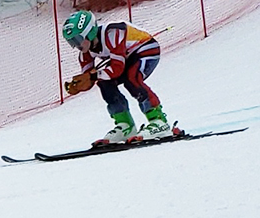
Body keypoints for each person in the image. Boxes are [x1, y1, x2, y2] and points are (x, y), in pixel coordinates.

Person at [62, 10, 177, 146]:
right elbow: (90, 77)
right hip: (125, 59)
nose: (76, 45)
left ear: (90, 32)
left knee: (132, 79)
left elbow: (117, 69)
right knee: (104, 83)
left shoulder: (113, 33)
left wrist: (93, 75)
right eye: (71, 42)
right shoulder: (84, 53)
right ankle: (125, 124)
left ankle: (159, 121)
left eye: (78, 40)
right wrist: (79, 85)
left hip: (146, 49)